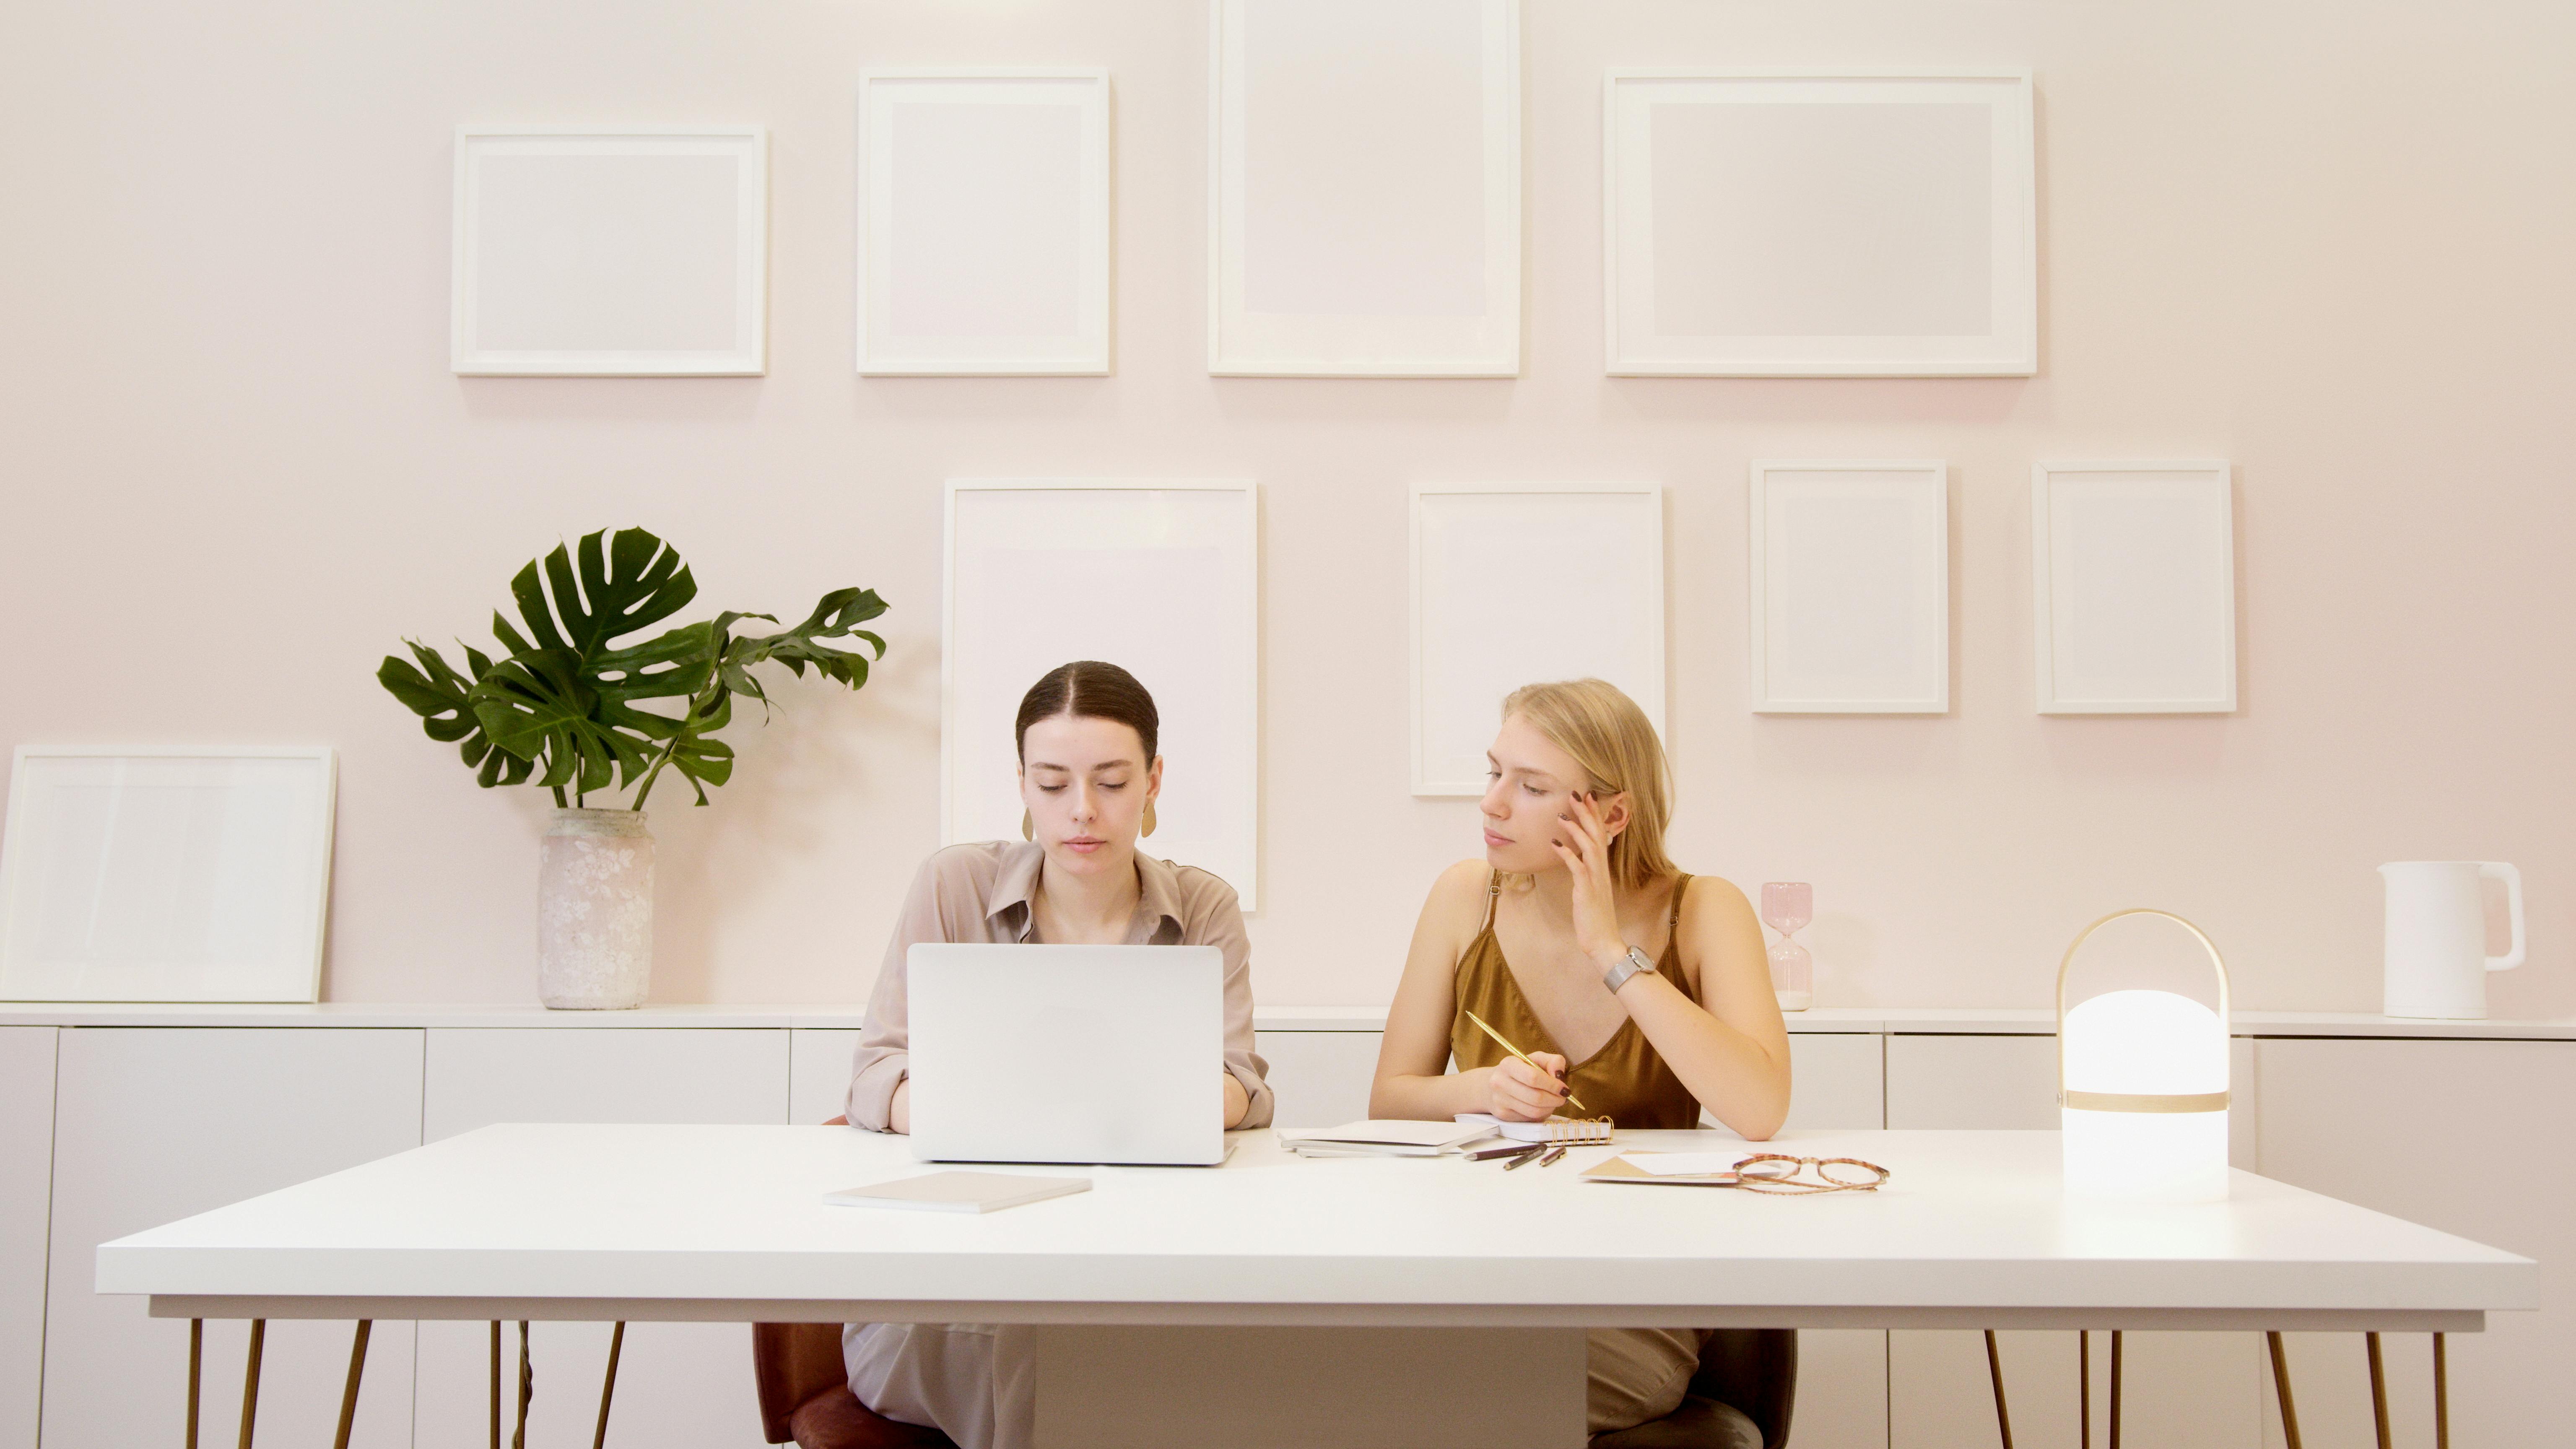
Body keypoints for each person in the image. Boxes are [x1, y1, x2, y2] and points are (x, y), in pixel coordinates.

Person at [841, 660, 1272, 1449]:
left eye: (1111, 782)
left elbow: (1239, 1082)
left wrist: (1088, 1114)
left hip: (1139, 1255)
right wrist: (1076, 1117)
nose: (1082, 812)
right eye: (1052, 784)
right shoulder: (955, 884)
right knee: (1046, 1338)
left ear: (1153, 782)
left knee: (1195, 1354)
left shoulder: (1204, 905)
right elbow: (876, 1075)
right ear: (1021, 785)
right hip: (950, 1281)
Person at [1371, 678, 1792, 1445]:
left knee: (1443, 1392)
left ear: (1612, 814)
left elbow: (1760, 1108)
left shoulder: (1702, 910)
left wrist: (1611, 950)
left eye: (1530, 786)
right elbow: (1389, 1099)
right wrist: (1483, 1090)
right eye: (1494, 773)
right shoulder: (1466, 897)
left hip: (1633, 1290)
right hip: (1484, 1269)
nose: (1493, 803)